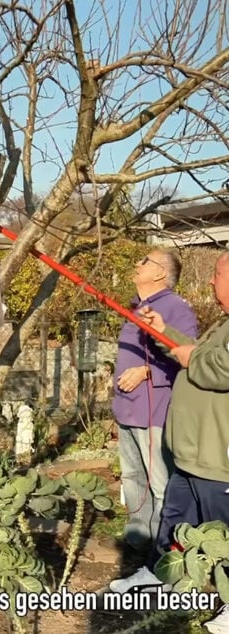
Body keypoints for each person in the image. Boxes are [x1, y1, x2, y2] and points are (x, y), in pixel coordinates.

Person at [110, 252, 229, 633]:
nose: (210, 281)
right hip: (192, 453)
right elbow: (191, 352)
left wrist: (190, 356)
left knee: (223, 533)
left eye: (217, 274)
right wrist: (165, 333)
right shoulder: (222, 325)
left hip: (217, 456)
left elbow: (216, 368)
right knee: (175, 524)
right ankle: (162, 574)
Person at [111, 250, 197, 552]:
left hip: (154, 409)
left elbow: (189, 356)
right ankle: (138, 539)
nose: (137, 263)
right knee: (132, 477)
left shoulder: (175, 308)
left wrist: (147, 371)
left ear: (161, 273)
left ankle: (165, 547)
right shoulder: (137, 308)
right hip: (127, 408)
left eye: (145, 261)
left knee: (160, 484)